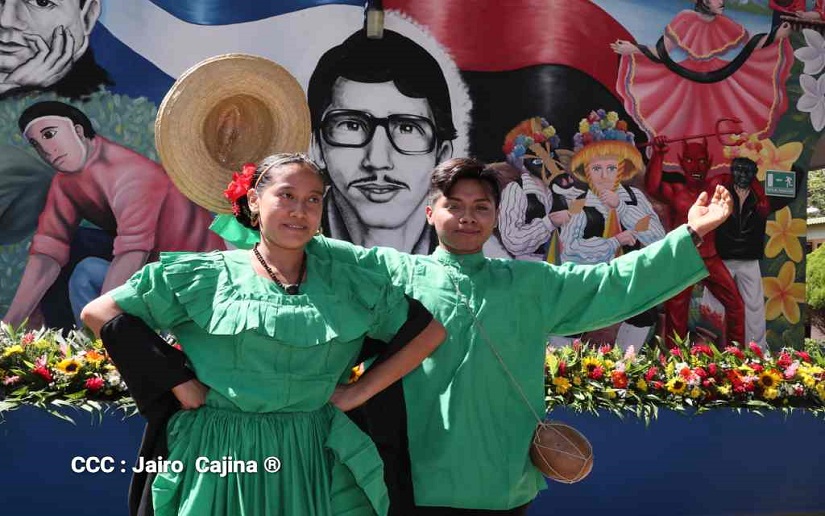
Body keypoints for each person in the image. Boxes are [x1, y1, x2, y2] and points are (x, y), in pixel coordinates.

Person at [215, 157, 734, 515]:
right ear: (430, 212)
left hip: (503, 480)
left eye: (481, 207)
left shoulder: (529, 282)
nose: (467, 217)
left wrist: (691, 233)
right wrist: (251, 204)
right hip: (413, 480)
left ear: (495, 217)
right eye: (455, 205)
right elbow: (308, 243)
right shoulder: (391, 273)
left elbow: (612, 282)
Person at [80, 153, 446, 516]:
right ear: (255, 201)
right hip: (221, 454)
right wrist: (177, 380)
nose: (299, 211)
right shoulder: (205, 276)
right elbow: (99, 313)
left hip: (313, 454)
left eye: (313, 199)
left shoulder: (350, 283)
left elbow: (428, 332)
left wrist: (359, 392)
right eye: (286, 195)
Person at [2, 101, 225, 328]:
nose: (46, 150)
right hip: (150, 264)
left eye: (49, 135)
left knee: (86, 273)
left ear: (78, 130)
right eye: (36, 144)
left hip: (191, 276)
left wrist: (100, 329)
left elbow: (132, 253)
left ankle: (93, 340)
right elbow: (47, 252)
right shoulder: (65, 182)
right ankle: (62, 336)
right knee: (71, 244)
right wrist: (9, 325)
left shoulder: (132, 174)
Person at [308, 29, 456, 254]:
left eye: (407, 128)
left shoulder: (482, 252)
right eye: (352, 126)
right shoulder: (284, 249)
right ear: (317, 146)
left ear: (442, 156)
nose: (378, 161)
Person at [612, 0, 793, 175]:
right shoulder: (685, 18)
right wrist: (634, 49)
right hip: (686, 83)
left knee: (722, 122)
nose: (722, 2)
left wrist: (776, 35)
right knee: (681, 122)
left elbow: (751, 44)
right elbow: (662, 52)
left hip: (721, 84)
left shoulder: (725, 22)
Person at [558, 110, 666, 349]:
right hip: (589, 279)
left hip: (627, 280)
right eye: (597, 169)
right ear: (587, 171)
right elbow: (569, 249)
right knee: (569, 321)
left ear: (621, 169)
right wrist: (614, 242)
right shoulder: (578, 202)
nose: (604, 175)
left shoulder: (633, 197)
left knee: (643, 314)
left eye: (610, 168)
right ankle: (563, 364)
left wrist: (622, 209)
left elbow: (659, 238)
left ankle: (625, 362)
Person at [646, 135, 745, 347]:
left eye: (701, 160)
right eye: (690, 160)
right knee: (676, 310)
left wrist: (739, 147)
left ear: (709, 162)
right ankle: (675, 357)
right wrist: (658, 154)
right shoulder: (677, 192)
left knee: (736, 304)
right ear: (682, 162)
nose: (696, 166)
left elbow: (742, 175)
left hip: (710, 258)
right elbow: (652, 187)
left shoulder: (716, 185)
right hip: (683, 258)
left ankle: (737, 353)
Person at [715, 157, 801, 348]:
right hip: (723, 257)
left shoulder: (762, 199)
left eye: (747, 171)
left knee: (753, 304)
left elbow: (788, 194)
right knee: (713, 301)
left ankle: (756, 348)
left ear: (754, 174)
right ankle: (709, 346)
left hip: (749, 258)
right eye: (738, 170)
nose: (742, 175)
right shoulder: (719, 193)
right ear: (732, 171)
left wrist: (797, 166)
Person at [496, 117, 572, 261]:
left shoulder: (560, 188)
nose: (548, 164)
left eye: (550, 155)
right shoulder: (516, 190)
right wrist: (548, 223)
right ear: (522, 163)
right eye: (537, 160)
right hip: (530, 266)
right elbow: (513, 241)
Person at [0, 0, 110, 98]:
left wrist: (16, 91)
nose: (5, 21)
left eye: (42, 2)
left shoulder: (111, 96)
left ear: (87, 16)